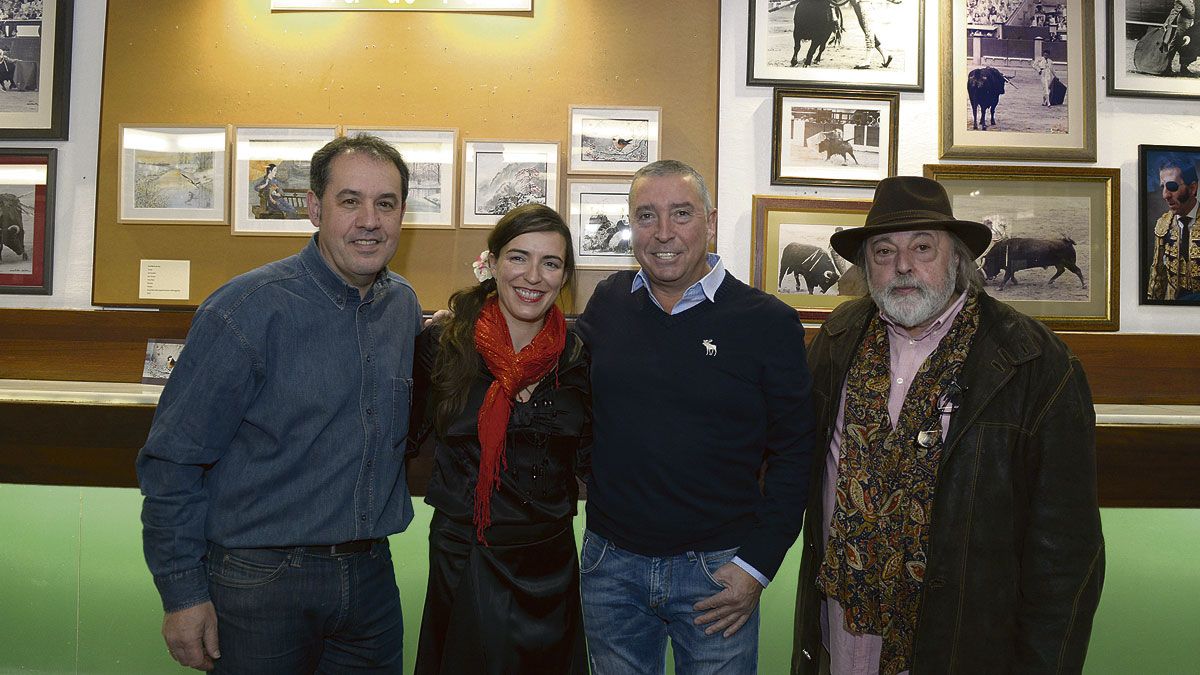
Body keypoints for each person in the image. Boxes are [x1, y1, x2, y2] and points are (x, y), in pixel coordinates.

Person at [790, 176, 1104, 675]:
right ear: (866, 266)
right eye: (883, 251)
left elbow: (1066, 553)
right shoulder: (837, 340)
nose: (903, 266)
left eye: (922, 247)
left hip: (964, 645)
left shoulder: (1034, 362)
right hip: (840, 638)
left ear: (957, 258)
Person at [137, 134, 422, 672]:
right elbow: (173, 461)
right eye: (349, 200)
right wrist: (182, 592)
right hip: (259, 585)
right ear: (314, 207)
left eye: (385, 203)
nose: (369, 220)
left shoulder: (402, 307)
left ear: (402, 213)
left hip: (370, 581)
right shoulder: (247, 309)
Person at [576, 159, 816, 674]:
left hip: (717, 574)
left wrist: (756, 566)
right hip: (610, 567)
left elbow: (797, 454)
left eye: (680, 214)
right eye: (646, 215)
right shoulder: (608, 301)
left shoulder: (768, 322)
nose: (664, 233)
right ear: (630, 224)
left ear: (709, 221)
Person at [410, 203, 590, 674]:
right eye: (518, 257)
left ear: (564, 276)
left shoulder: (576, 356)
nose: (533, 275)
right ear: (491, 263)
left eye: (550, 263)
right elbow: (399, 436)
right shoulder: (444, 344)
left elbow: (595, 453)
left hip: (550, 561)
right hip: (467, 554)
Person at [1147, 158, 1200, 302]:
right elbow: (1158, 276)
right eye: (1162, 187)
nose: (1165, 195)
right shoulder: (1163, 224)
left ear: (1193, 188)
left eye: (1171, 186)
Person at [846, 0, 893, 70]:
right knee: (868, 31)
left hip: (864, 4)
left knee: (868, 32)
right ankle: (885, 55)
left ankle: (867, 61)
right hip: (862, 4)